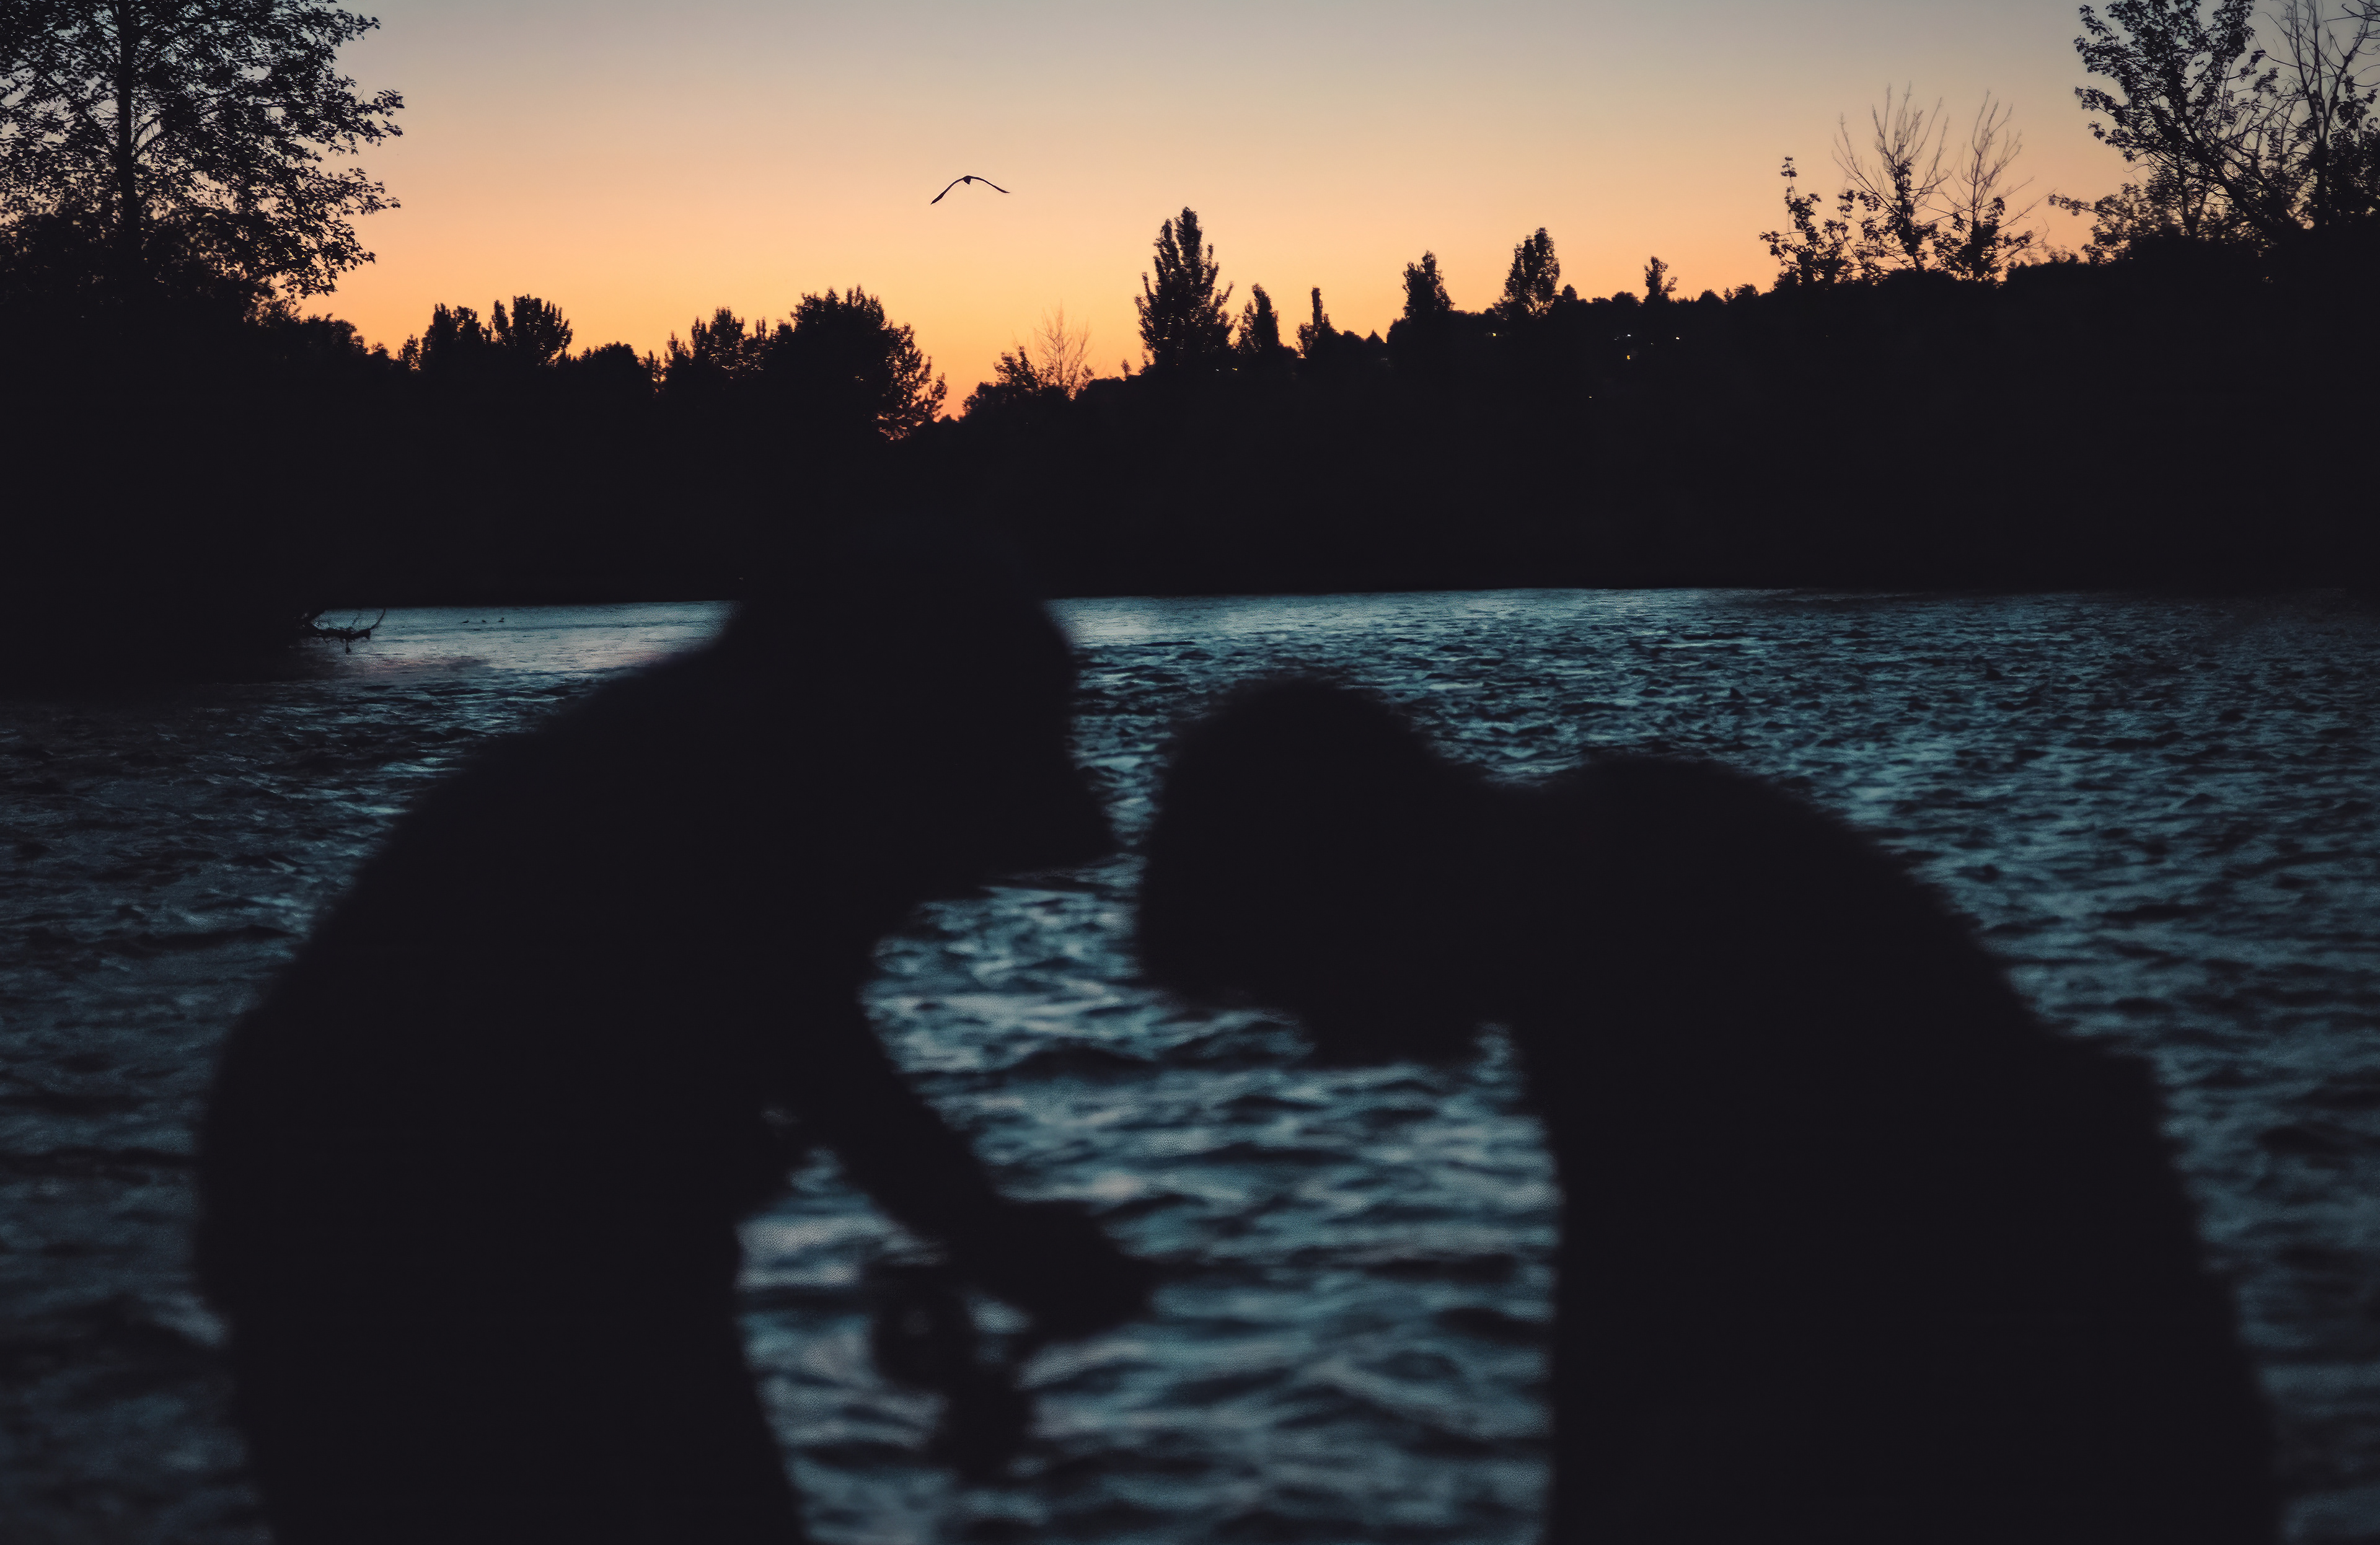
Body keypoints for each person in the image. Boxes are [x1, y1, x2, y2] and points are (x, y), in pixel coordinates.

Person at [1136, 677, 2276, 1545]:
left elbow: (1768, 1399)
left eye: (1309, 988)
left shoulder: (1680, 952)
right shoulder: (1603, 887)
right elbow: (1644, 1355)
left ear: (1367, 889)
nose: (1331, 1046)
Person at [198, 528, 1155, 1544]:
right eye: (956, 818)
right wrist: (984, 1231)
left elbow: (788, 1042)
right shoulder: (684, 807)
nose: (952, 878)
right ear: (888, 736)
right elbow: (814, 1051)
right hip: (383, 1273)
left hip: (527, 1244)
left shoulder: (737, 766)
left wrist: (971, 1225)